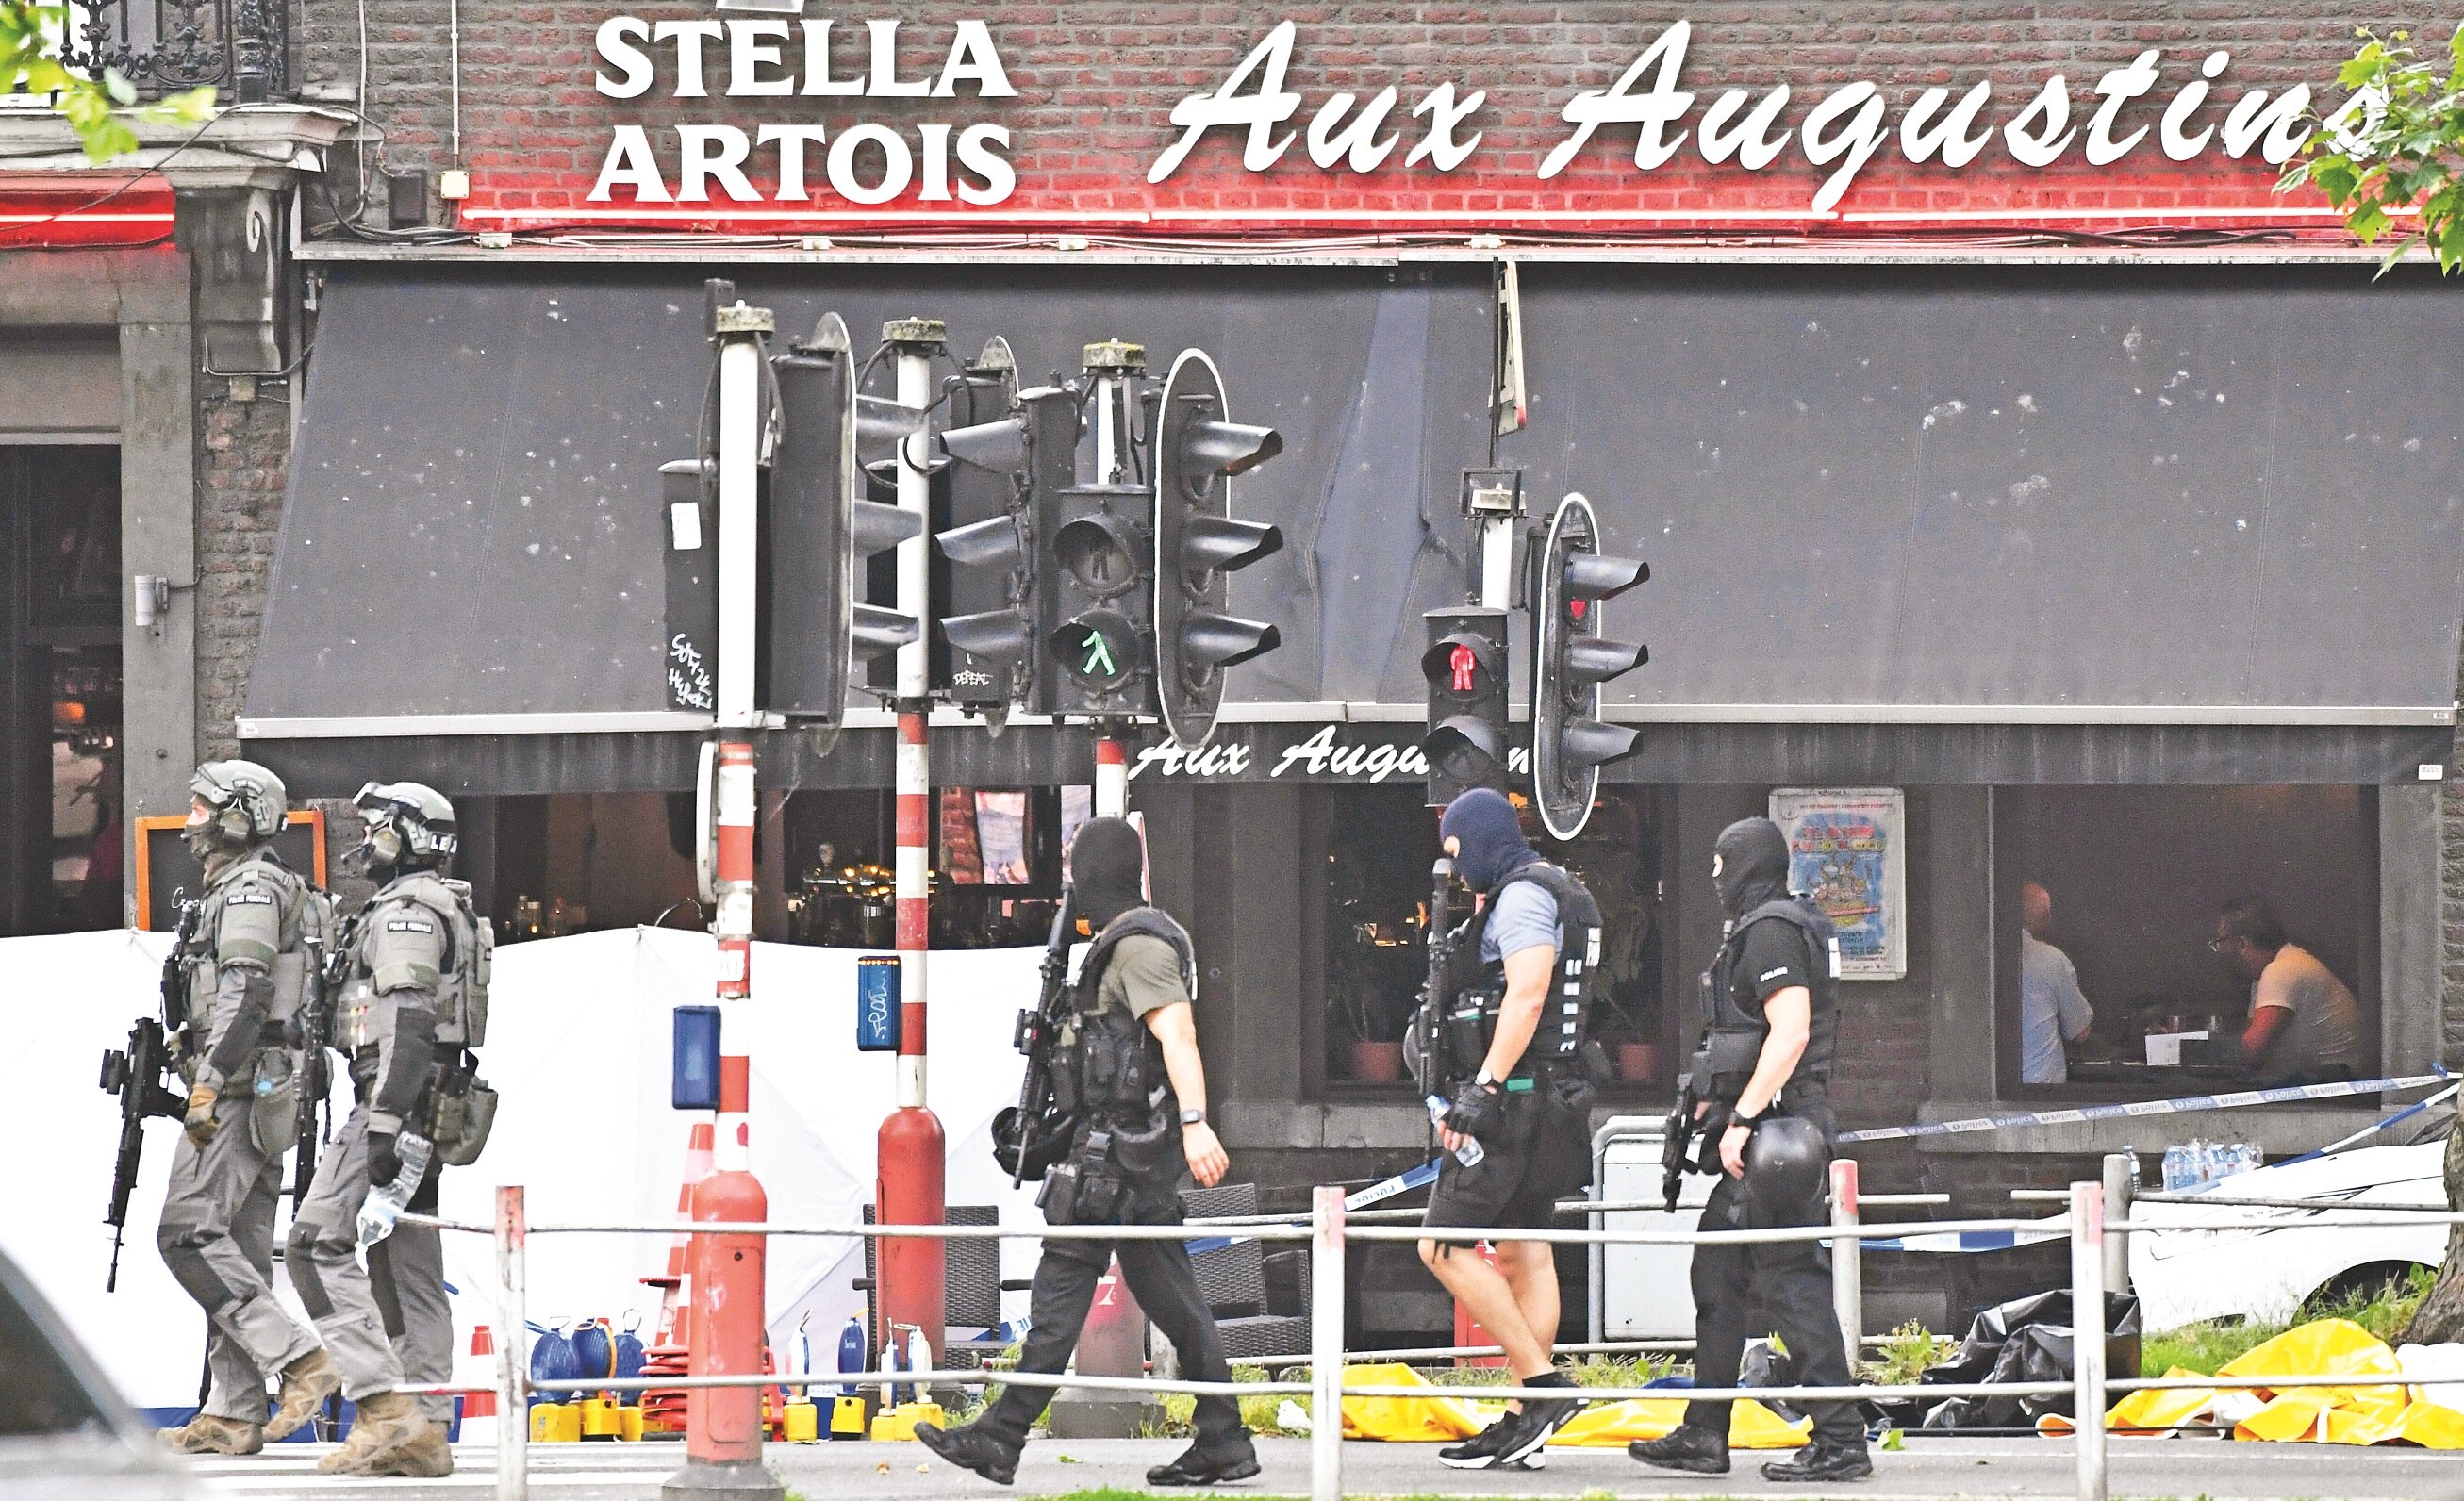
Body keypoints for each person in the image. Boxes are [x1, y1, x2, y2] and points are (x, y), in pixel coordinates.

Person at [918, 817, 1259, 1489]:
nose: (1071, 879)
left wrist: (1196, 1122)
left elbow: (1179, 1035)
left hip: (1113, 1159)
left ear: (1096, 872)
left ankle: (1001, 1435)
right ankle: (1224, 1439)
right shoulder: (1119, 944)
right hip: (1124, 1158)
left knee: (1060, 1290)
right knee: (1177, 1304)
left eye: (1077, 865)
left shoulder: (1139, 948)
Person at [1629, 816, 1871, 1484]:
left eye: (1719, 863)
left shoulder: (1770, 930)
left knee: (1792, 1283)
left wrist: (1741, 1115)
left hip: (1776, 1136)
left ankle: (1841, 1440)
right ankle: (1704, 1434)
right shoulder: (1772, 925)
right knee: (1718, 1277)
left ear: (1746, 864)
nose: (1712, 877)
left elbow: (1788, 1032)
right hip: (1767, 1132)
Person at [289, 783, 489, 1477]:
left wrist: (381, 1120)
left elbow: (406, 1018)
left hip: (396, 1096)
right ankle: (425, 1426)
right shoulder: (435, 905)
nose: (365, 837)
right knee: (405, 1261)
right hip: (425, 1099)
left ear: (408, 836)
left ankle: (383, 1408)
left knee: (315, 1242)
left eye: (377, 826)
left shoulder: (406, 912)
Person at [155, 760, 339, 1454]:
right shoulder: (243, 887)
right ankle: (234, 1410)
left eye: (203, 807)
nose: (192, 820)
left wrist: (208, 1078)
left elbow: (248, 991)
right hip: (259, 1084)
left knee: (188, 1233)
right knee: (238, 1249)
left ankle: (298, 1360)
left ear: (241, 813)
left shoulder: (249, 889)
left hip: (237, 1088)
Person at [1415, 787, 1602, 1471]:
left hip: (1512, 1103)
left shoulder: (1522, 897)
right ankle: (1527, 1421)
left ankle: (1542, 1389)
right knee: (1525, 1252)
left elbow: (1526, 989)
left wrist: (1483, 1087)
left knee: (1440, 1246)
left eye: (1457, 853)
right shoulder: (1560, 888)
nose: (1457, 870)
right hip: (1552, 1102)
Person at [2210, 895, 2362, 1085]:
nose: (2219, 950)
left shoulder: (2282, 970)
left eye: (2220, 941)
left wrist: (2191, 1051)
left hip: (2328, 1095)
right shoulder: (2273, 971)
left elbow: (2251, 1051)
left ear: (2242, 944)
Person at [2017, 882, 2094, 1084]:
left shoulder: (1984, 958)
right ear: (2044, 919)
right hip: (2041, 1088)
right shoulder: (2052, 960)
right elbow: (2080, 1031)